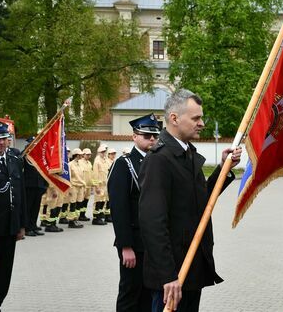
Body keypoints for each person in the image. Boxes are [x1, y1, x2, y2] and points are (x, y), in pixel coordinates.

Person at [138, 89, 242, 312]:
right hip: (173, 276)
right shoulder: (159, 160)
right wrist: (168, 276)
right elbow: (152, 223)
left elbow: (200, 199)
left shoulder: (187, 153)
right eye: (196, 118)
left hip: (191, 268)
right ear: (174, 118)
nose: (202, 123)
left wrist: (223, 169)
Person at [108, 114, 161, 312]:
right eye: (147, 136)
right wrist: (125, 246)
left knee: (150, 293)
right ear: (134, 137)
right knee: (131, 294)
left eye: (155, 136)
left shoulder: (158, 162)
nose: (152, 140)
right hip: (135, 243)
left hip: (154, 242)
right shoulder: (124, 164)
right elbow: (119, 209)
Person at [0, 122, 26, 310]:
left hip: (9, 227)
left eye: (4, 139)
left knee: (4, 272)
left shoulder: (13, 160)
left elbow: (21, 195)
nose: (2, 142)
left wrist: (21, 225)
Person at [23, 137, 47, 237]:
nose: (34, 146)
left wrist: (45, 185)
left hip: (39, 185)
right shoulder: (24, 156)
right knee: (28, 208)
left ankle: (33, 226)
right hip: (29, 186)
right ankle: (27, 228)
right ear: (28, 145)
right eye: (32, 144)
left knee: (36, 208)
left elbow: (43, 172)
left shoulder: (39, 156)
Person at [92, 144, 111, 225]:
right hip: (99, 186)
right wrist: (96, 186)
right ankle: (96, 218)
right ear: (99, 152)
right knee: (98, 202)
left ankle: (100, 217)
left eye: (104, 152)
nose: (103, 153)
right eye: (102, 152)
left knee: (102, 201)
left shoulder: (104, 160)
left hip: (104, 185)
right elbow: (95, 174)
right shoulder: (97, 161)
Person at [79, 148, 93, 222]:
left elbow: (91, 174)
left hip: (88, 185)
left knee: (86, 201)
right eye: (87, 154)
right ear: (83, 155)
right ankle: (79, 215)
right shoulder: (80, 162)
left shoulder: (89, 163)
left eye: (89, 155)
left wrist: (92, 184)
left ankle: (83, 214)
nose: (88, 156)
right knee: (80, 200)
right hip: (82, 185)